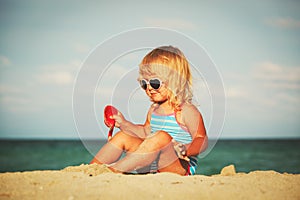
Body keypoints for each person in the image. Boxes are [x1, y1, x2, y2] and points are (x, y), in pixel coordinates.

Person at [91, 45, 207, 175]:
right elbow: (146, 132)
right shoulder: (154, 110)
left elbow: (201, 139)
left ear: (176, 80)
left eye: (155, 83)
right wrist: (124, 124)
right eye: (144, 84)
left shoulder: (186, 110)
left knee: (161, 137)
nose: (149, 88)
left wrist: (185, 149)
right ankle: (91, 169)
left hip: (177, 167)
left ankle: (113, 170)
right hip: (152, 166)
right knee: (123, 136)